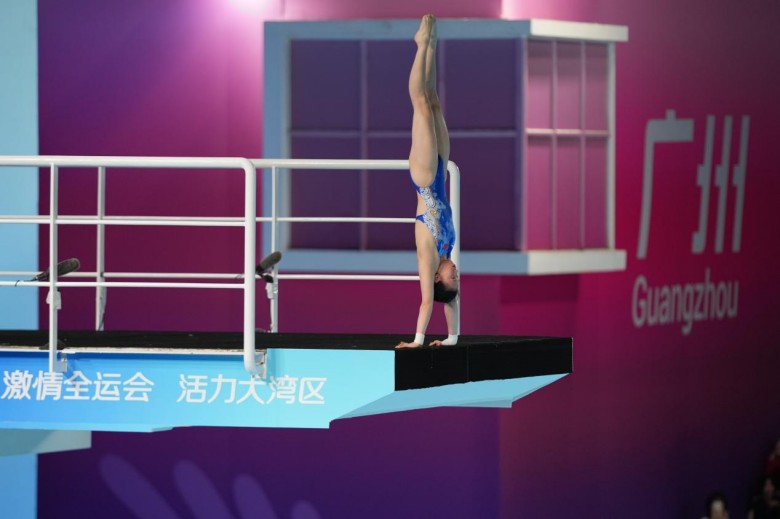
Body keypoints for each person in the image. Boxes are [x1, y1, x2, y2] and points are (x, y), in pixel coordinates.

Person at [396, 15, 459, 349]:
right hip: (440, 170)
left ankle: (420, 45)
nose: (456, 274)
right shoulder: (448, 253)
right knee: (433, 100)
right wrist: (451, 338)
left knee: (420, 104)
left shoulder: (430, 258)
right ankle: (432, 44)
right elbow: (452, 302)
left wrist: (418, 341)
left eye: (451, 278)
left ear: (437, 277)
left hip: (423, 177)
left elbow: (427, 302)